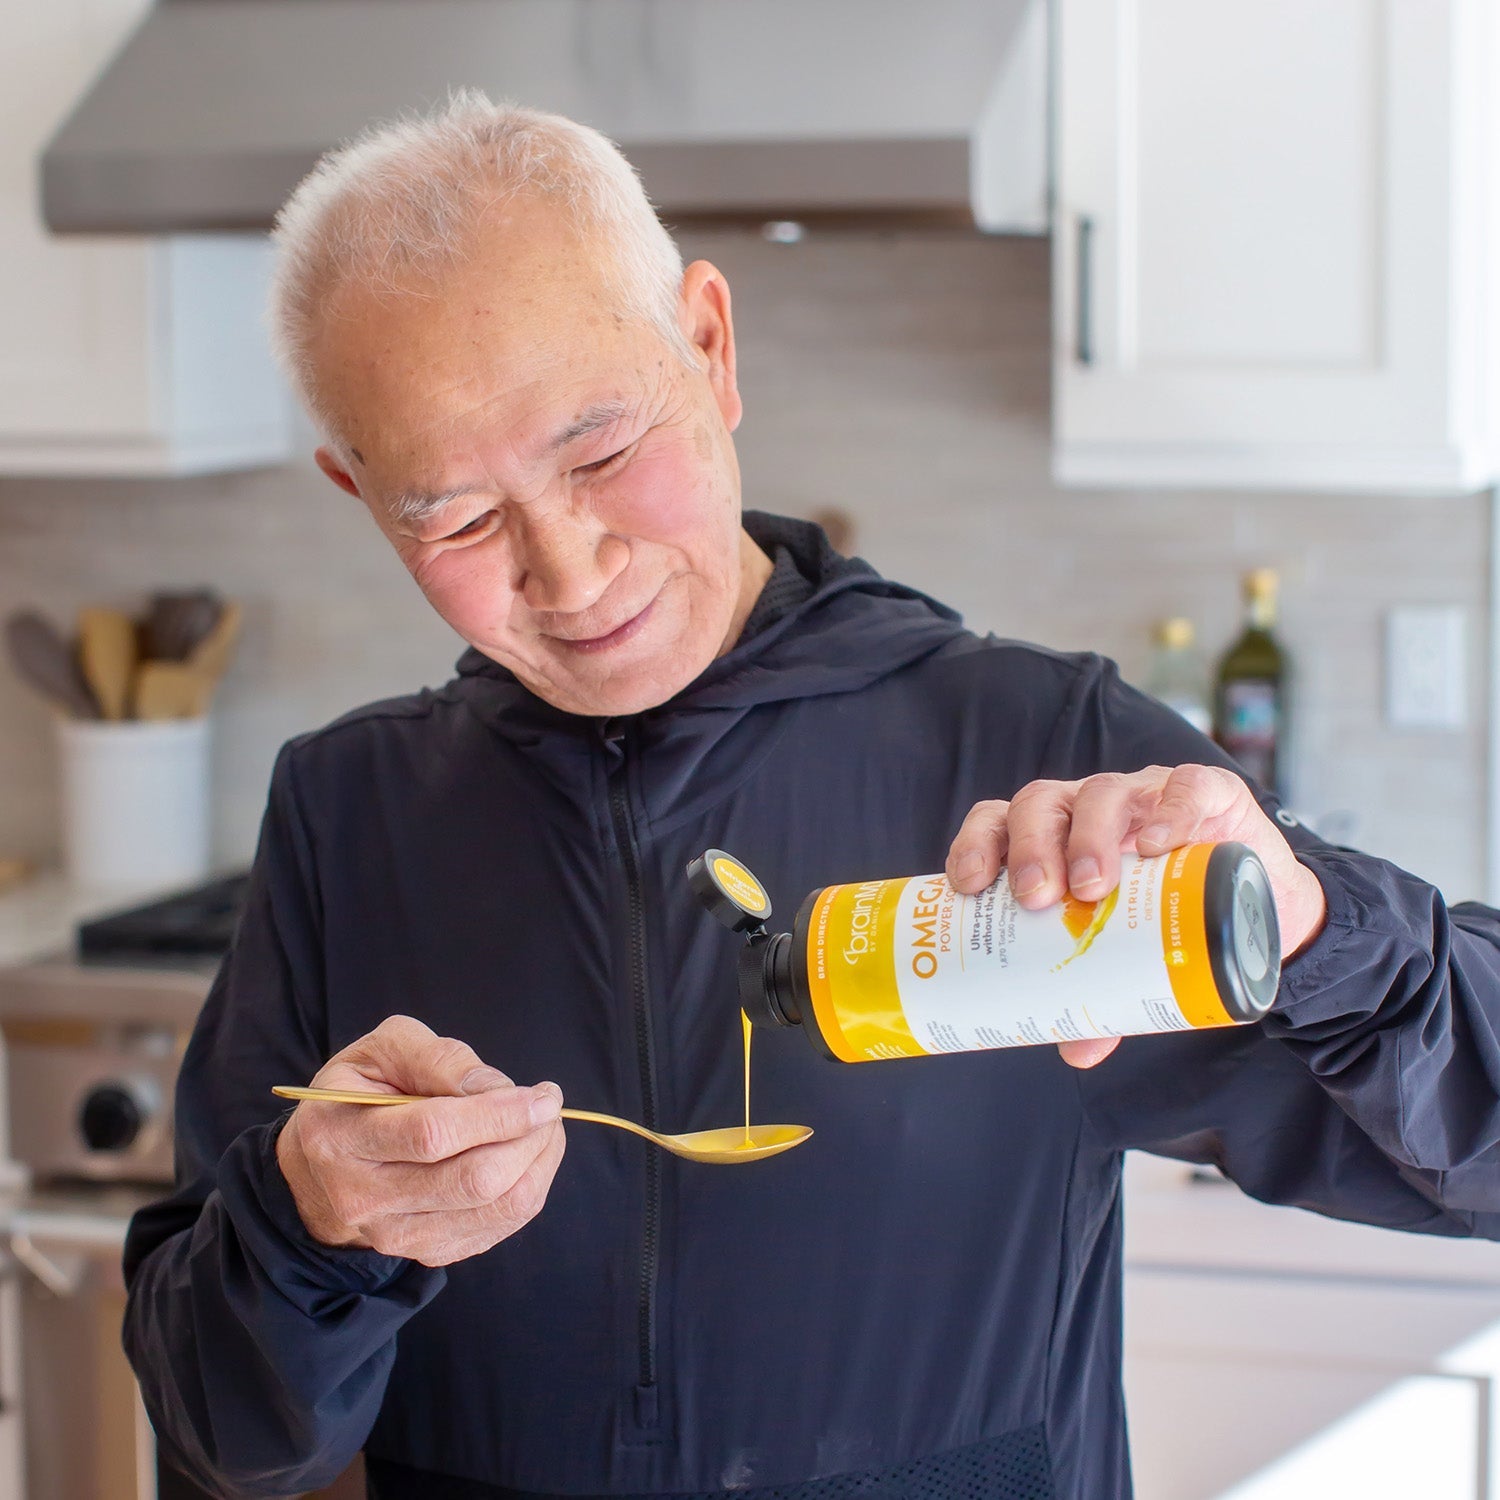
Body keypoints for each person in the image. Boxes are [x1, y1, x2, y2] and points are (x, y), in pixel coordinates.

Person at [123, 93, 1500, 1500]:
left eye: (599, 453)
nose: (571, 568)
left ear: (709, 348)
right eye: (458, 518)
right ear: (358, 493)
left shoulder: (1045, 753)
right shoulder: (346, 813)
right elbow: (224, 1440)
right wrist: (307, 1232)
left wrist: (1321, 921)